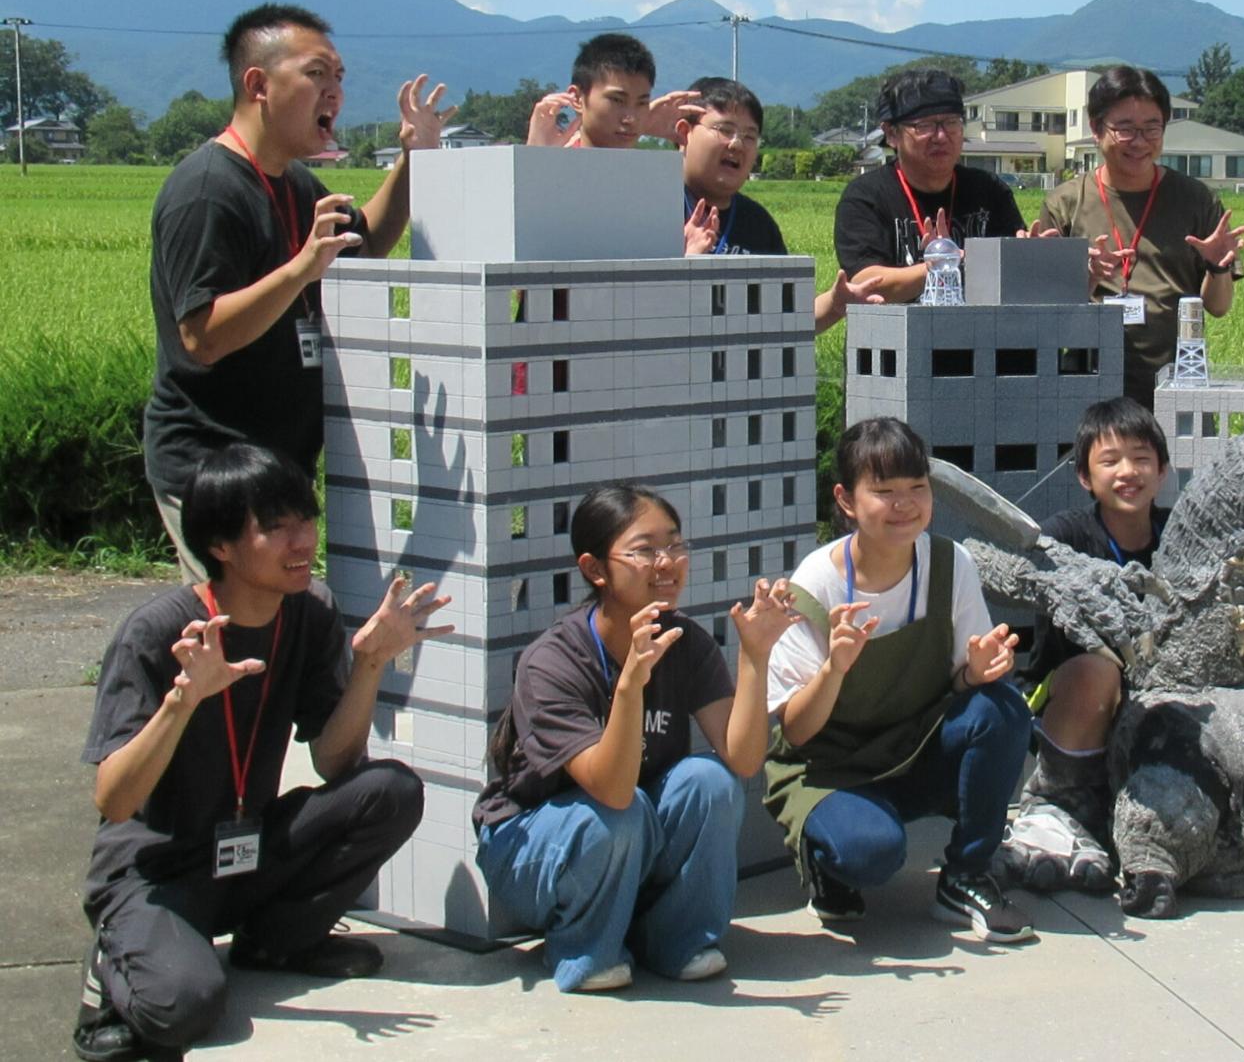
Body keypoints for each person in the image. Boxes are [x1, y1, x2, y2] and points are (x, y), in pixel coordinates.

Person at [74, 444, 448, 1062]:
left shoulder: (309, 612)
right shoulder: (159, 632)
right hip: (157, 871)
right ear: (220, 545)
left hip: (245, 852)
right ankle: (110, 974)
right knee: (185, 1007)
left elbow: (335, 763)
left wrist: (370, 664)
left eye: (306, 520)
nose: (302, 541)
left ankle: (277, 942)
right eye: (276, 527)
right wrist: (182, 702)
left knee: (390, 791)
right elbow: (114, 801)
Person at [145, 4, 453, 583]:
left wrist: (414, 158)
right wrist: (301, 269)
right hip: (215, 468)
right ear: (258, 85)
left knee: (277, 624)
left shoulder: (295, 183)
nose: (334, 91)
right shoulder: (207, 190)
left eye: (339, 76)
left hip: (279, 464)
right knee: (237, 625)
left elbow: (367, 241)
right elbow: (202, 336)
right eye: (316, 74)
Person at [474, 484, 799, 993]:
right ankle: (585, 951)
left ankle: (678, 941)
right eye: (645, 550)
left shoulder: (685, 642)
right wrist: (629, 687)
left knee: (709, 781)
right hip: (533, 847)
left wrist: (755, 656)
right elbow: (611, 790)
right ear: (595, 569)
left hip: (627, 833)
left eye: (675, 544)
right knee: (615, 814)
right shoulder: (553, 661)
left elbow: (743, 758)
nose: (667, 562)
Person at [764, 417, 1035, 942]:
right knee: (871, 853)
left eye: (917, 487)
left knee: (1002, 705)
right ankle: (827, 859)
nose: (905, 504)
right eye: (884, 491)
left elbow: (961, 693)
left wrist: (974, 673)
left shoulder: (950, 564)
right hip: (831, 770)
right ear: (846, 500)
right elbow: (795, 731)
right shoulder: (816, 583)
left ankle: (967, 875)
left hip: (915, 752)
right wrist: (834, 667)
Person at [997, 397, 1172, 890]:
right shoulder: (1066, 535)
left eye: (1141, 458)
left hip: (1159, 695)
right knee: (1099, 667)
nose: (1127, 472)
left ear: (1162, 471)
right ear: (1084, 476)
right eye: (1110, 460)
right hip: (1071, 695)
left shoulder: (1178, 536)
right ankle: (1055, 799)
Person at [1035, 67, 1244, 408]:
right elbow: (1046, 318)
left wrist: (1217, 267)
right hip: (1088, 385)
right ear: (1096, 129)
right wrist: (1085, 279)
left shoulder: (1195, 200)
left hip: (1175, 384)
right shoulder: (1065, 203)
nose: (1139, 142)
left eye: (1152, 128)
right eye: (1125, 129)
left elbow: (1218, 307)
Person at [672, 75, 883, 332]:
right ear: (684, 133)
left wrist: (835, 304)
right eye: (724, 130)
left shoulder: (758, 223)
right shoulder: (651, 207)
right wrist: (683, 264)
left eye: (750, 136)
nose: (737, 143)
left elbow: (784, 317)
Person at [833, 69, 1027, 302]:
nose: (941, 136)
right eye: (924, 126)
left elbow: (1013, 273)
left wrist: (1030, 255)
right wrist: (945, 264)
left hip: (977, 325)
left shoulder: (989, 190)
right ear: (891, 134)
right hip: (894, 326)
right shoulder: (866, 197)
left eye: (951, 123)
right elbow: (865, 283)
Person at [524, 32, 700, 149]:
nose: (630, 119)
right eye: (617, 100)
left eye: (642, 103)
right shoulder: (552, 164)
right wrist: (534, 160)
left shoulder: (649, 176)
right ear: (577, 98)